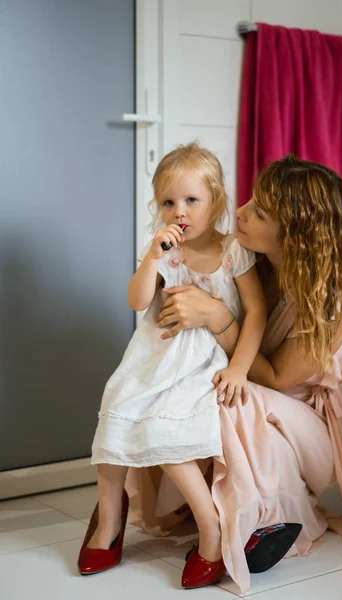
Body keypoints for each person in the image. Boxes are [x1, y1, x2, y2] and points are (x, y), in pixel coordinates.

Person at [123, 155, 342, 594]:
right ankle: (228, 519)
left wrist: (218, 318)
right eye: (252, 200)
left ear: (294, 233)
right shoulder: (248, 262)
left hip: (306, 423)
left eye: (259, 212)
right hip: (250, 392)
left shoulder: (339, 296)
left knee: (230, 398)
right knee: (176, 388)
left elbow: (276, 379)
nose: (240, 211)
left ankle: (259, 521)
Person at [77, 143, 268, 586]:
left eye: (191, 200)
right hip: (152, 355)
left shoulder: (232, 251)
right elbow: (137, 301)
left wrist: (238, 368)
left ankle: (211, 528)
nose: (179, 211)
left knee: (167, 429)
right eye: (168, 202)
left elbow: (255, 313)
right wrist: (152, 257)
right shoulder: (164, 252)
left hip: (201, 359)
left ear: (216, 201)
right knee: (114, 414)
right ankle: (108, 522)